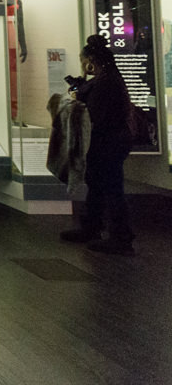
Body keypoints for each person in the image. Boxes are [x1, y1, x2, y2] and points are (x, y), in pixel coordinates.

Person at [60, 35, 136, 255]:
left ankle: (120, 237)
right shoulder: (109, 79)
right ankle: (93, 227)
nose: (83, 66)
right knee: (100, 185)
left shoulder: (105, 83)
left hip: (107, 142)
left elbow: (96, 116)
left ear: (91, 59)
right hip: (109, 141)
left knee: (111, 188)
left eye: (83, 61)